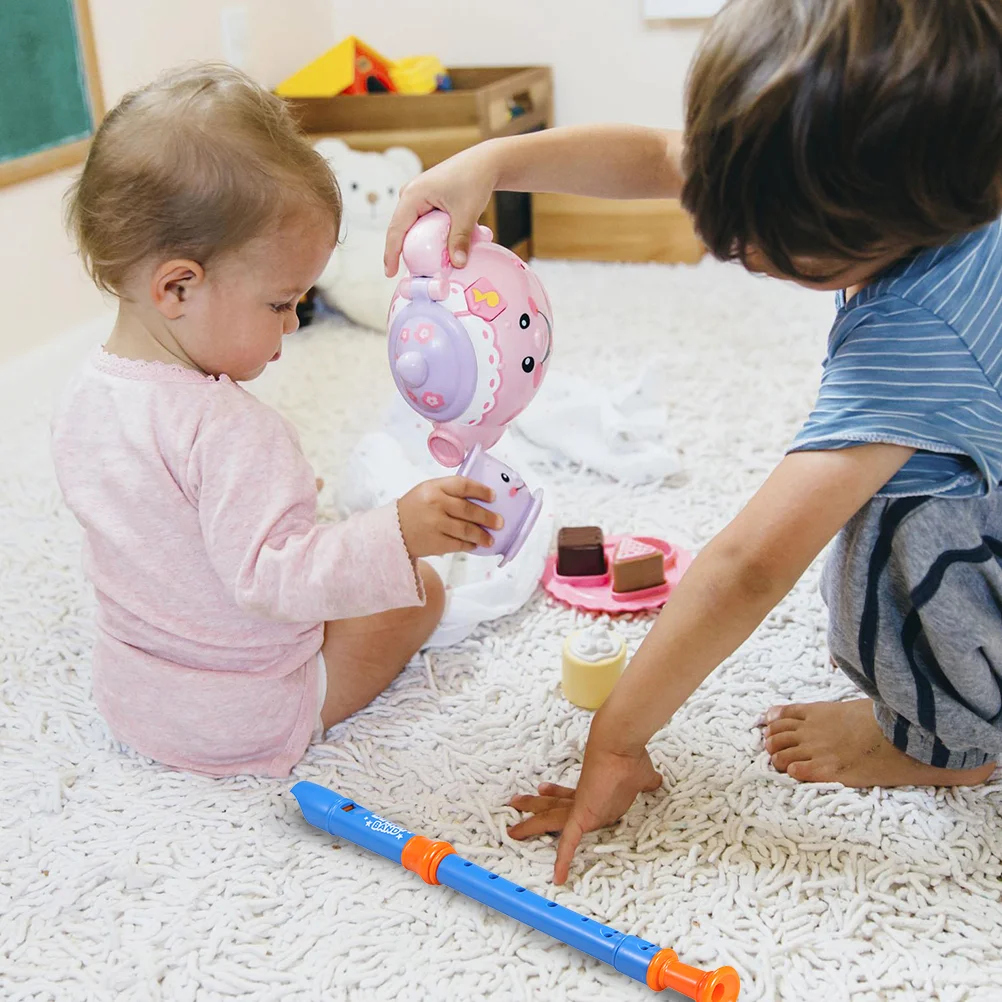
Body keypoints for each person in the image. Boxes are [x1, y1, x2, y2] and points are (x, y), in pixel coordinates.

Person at [385, 0, 1002, 883]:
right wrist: (494, 159)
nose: (727, 246)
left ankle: (953, 738)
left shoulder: (914, 342)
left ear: (877, 227)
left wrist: (616, 739)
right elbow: (656, 155)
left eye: (764, 246)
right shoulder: (930, 157)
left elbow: (748, 566)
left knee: (897, 530)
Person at [52, 64, 500, 778]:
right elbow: (277, 582)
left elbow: (155, 527)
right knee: (423, 592)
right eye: (280, 302)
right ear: (178, 287)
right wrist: (399, 533)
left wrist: (255, 498)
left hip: (133, 695)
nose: (294, 324)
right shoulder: (233, 429)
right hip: (242, 719)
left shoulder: (84, 394)